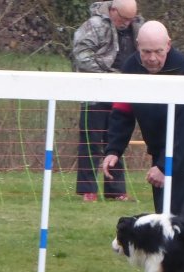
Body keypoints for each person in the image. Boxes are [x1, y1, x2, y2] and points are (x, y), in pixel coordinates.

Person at [102, 20, 184, 272]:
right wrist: (114, 149)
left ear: (169, 45)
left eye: (157, 52)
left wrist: (167, 167)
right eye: (146, 52)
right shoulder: (130, 68)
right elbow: (123, 111)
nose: (152, 58)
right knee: (167, 214)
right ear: (138, 47)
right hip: (162, 147)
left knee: (173, 216)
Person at [72, 0, 144, 202]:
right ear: (113, 11)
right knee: (91, 141)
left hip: (123, 92)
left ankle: (116, 191)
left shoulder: (139, 26)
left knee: (116, 140)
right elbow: (81, 55)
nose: (128, 23)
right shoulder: (93, 26)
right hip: (95, 91)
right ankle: (88, 190)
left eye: (131, 19)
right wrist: (109, 73)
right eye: (124, 19)